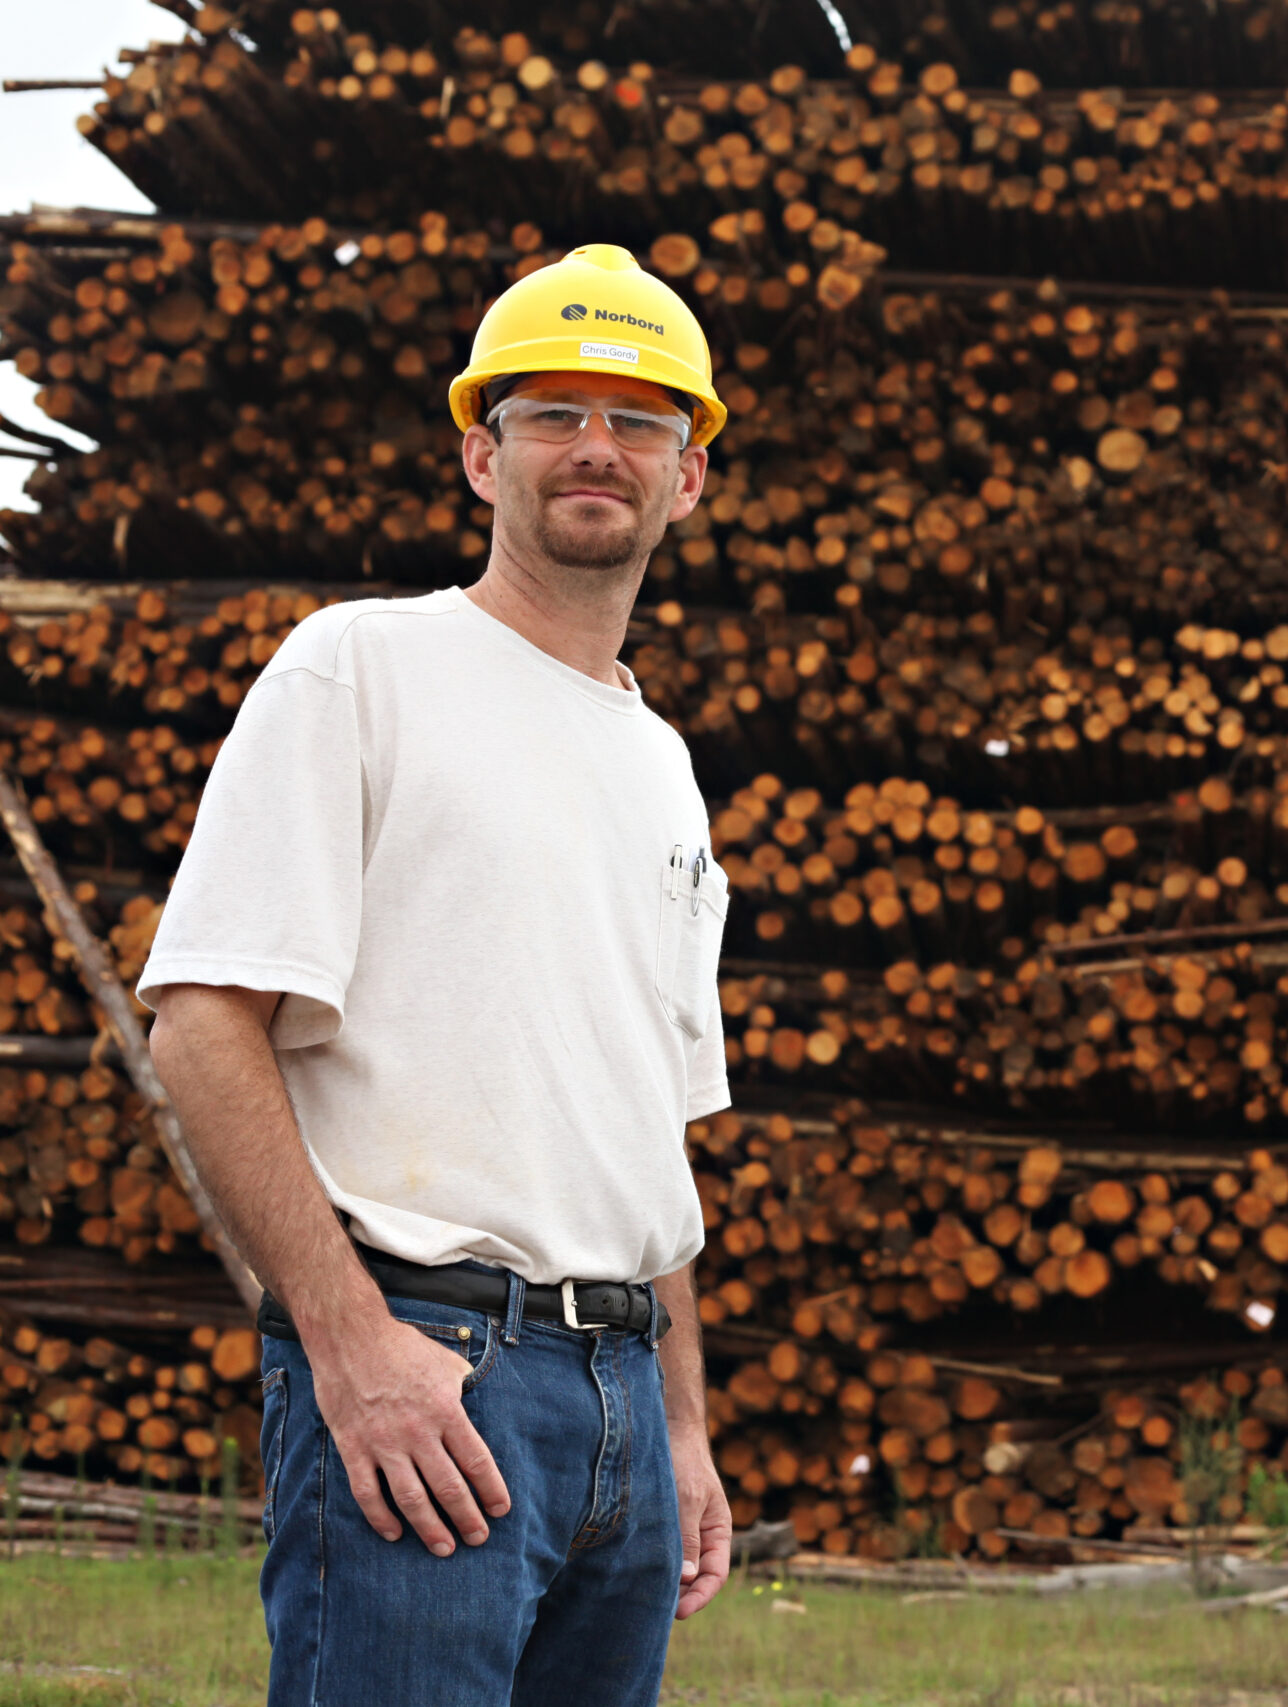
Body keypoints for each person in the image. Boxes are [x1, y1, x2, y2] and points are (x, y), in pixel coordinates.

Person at [143, 243, 736, 1706]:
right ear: (482, 453)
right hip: (435, 1371)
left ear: (690, 475)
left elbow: (646, 1127)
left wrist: (680, 1431)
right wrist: (354, 1349)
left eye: (642, 420)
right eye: (553, 414)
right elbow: (203, 1026)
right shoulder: (362, 669)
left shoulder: (662, 766)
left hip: (620, 1398)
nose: (598, 447)